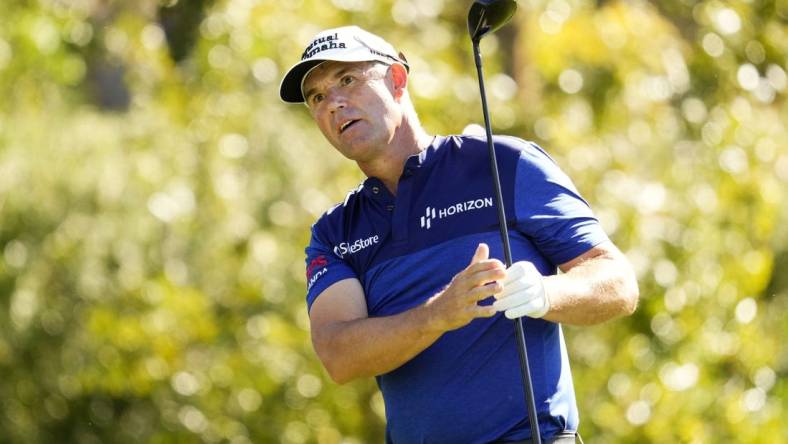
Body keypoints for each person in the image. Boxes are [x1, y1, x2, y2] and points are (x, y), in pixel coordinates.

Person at [279, 26, 639, 444]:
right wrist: (437, 315)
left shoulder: (502, 163)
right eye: (317, 97)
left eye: (347, 80)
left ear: (397, 80)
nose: (334, 104)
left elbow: (616, 281)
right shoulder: (335, 231)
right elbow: (338, 354)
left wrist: (545, 293)